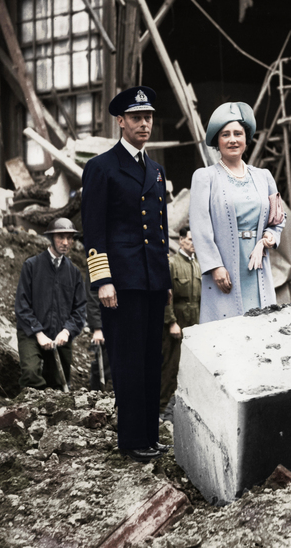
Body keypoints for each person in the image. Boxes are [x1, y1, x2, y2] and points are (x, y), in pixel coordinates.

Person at [81, 86, 172, 463]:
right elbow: (94, 230)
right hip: (120, 283)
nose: (144, 124)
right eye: (136, 118)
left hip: (151, 281)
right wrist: (102, 279)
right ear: (121, 122)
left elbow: (160, 231)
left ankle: (150, 435)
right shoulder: (101, 167)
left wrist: (164, 281)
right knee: (129, 360)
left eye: (148, 117)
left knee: (152, 359)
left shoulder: (155, 169)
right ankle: (132, 439)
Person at [190, 101, 286, 323]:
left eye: (238, 134)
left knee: (261, 327)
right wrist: (215, 266)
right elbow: (200, 227)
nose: (232, 139)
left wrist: (272, 235)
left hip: (258, 264)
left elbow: (278, 218)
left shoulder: (264, 177)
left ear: (246, 139)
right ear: (217, 141)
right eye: (225, 134)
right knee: (230, 331)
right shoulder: (205, 177)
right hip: (226, 269)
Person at [15, 218, 86, 391]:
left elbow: (80, 309)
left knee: (58, 385)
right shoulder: (31, 266)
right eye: (60, 237)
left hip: (59, 335)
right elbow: (22, 305)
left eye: (69, 238)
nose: (65, 242)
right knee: (31, 374)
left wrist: (67, 331)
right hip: (31, 333)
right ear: (51, 238)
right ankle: (30, 410)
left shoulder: (74, 273)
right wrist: (38, 333)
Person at [161, 226, 201, 417]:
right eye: (191, 239)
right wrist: (171, 323)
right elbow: (165, 297)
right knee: (171, 367)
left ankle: (181, 412)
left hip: (194, 324)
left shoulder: (197, 265)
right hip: (177, 323)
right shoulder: (172, 264)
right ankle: (161, 411)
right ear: (181, 240)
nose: (194, 244)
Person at [86, 280, 112, 391]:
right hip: (106, 321)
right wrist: (97, 328)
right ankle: (97, 395)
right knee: (104, 365)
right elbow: (92, 296)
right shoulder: (98, 264)